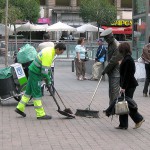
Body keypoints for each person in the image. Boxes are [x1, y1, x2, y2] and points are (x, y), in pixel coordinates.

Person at [15, 43, 66, 120]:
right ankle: (40, 114)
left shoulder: (50, 50)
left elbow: (47, 68)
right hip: (35, 74)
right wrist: (48, 81)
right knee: (37, 94)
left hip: (33, 71)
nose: (61, 54)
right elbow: (44, 71)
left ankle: (19, 108)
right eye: (61, 52)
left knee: (28, 92)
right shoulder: (49, 54)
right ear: (58, 49)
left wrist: (48, 79)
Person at [115, 42, 145, 130]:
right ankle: (124, 124)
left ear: (123, 50)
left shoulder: (127, 60)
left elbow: (127, 75)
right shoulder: (127, 59)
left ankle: (137, 119)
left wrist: (123, 87)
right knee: (125, 103)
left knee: (126, 104)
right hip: (130, 84)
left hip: (129, 85)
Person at [100, 28, 122, 105]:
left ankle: (114, 108)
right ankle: (111, 107)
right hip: (111, 72)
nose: (105, 40)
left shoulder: (116, 45)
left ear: (110, 37)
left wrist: (105, 70)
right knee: (111, 91)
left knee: (114, 91)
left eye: (106, 38)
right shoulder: (111, 43)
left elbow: (113, 61)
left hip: (116, 72)